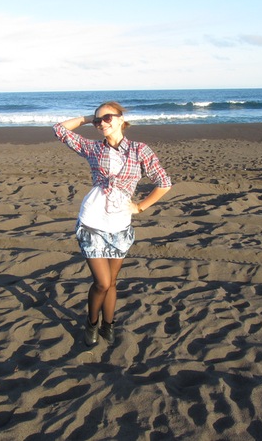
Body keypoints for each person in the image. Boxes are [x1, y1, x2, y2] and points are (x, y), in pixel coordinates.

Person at [53, 101, 172, 347]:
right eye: (98, 121)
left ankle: (108, 324)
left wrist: (140, 206)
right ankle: (92, 322)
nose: (102, 123)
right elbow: (59, 129)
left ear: (120, 119)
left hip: (120, 224)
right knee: (102, 282)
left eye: (107, 118)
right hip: (92, 222)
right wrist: (89, 118)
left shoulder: (140, 150)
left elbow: (164, 182)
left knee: (113, 282)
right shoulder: (93, 148)